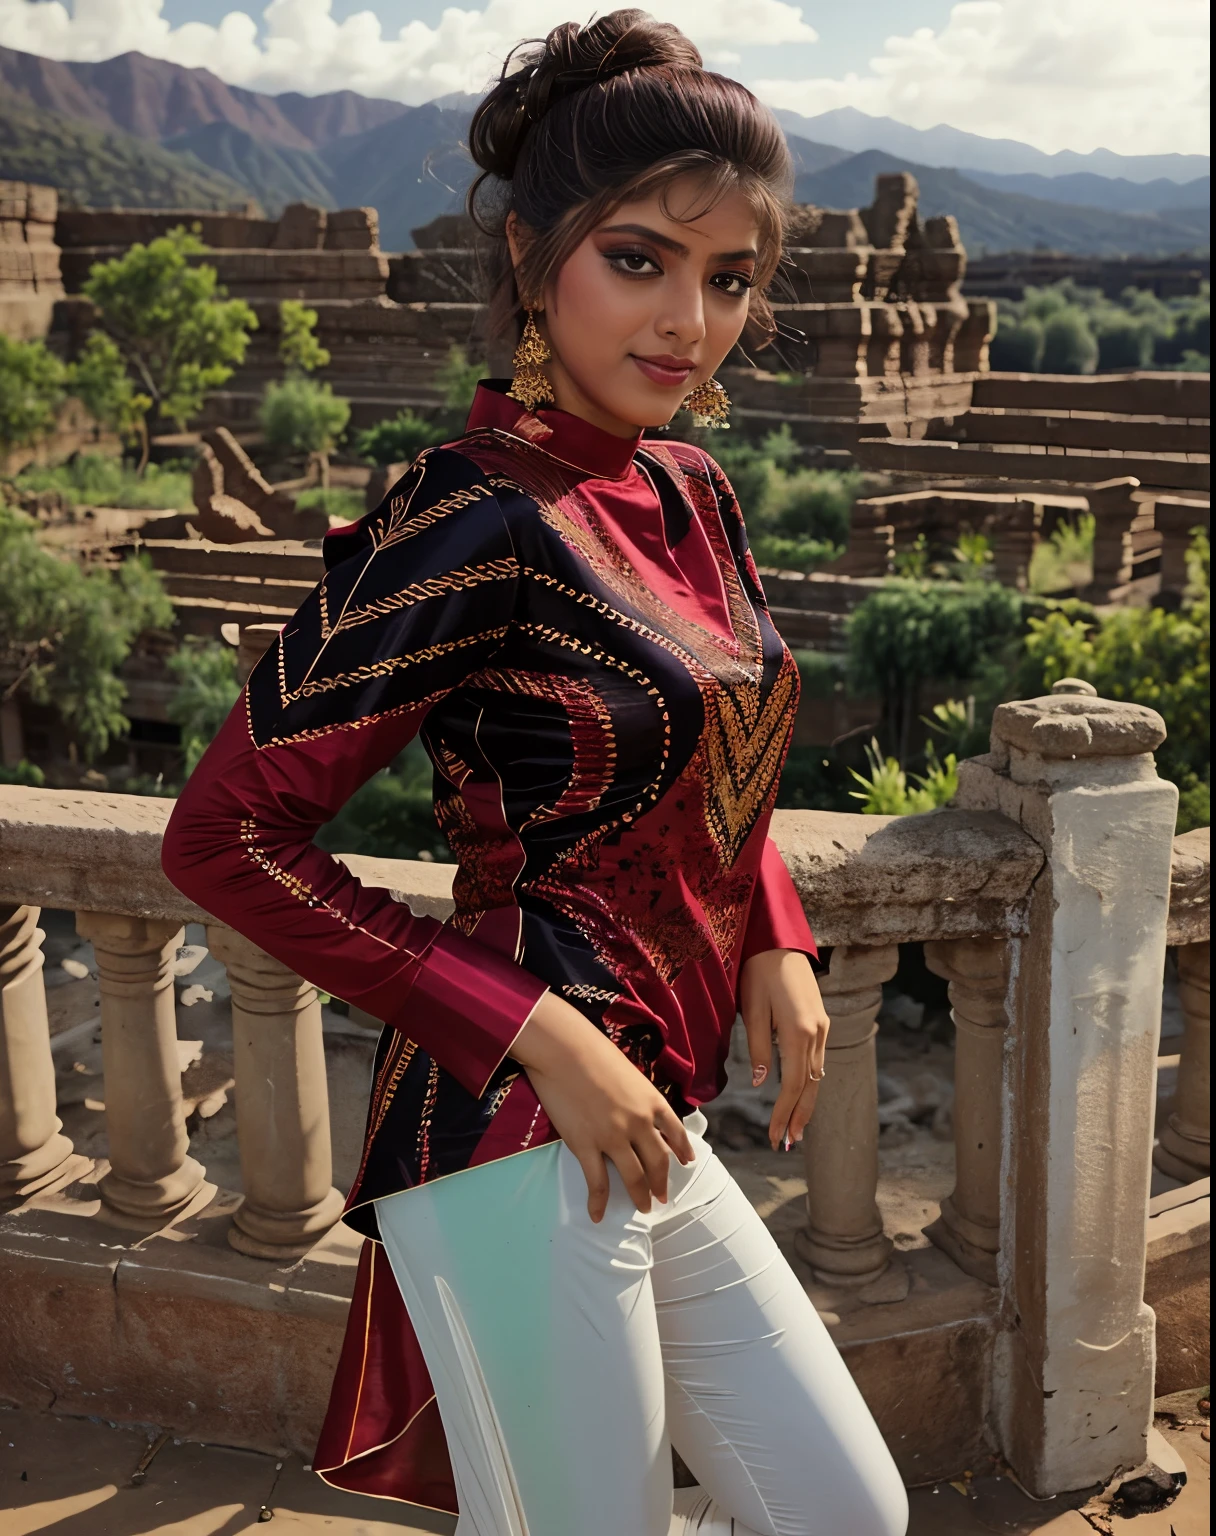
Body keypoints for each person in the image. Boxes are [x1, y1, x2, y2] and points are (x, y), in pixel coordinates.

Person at [161, 12, 909, 1535]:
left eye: (729, 276)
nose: (688, 318)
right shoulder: (467, 517)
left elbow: (712, 737)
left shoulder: (691, 490)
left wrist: (772, 922)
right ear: (531, 259)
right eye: (639, 259)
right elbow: (225, 836)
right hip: (512, 1125)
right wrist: (540, 1033)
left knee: (848, 1513)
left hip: (651, 1109)